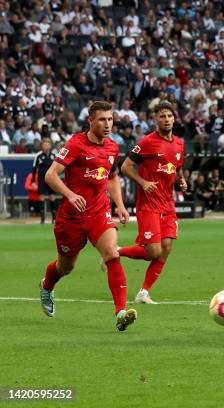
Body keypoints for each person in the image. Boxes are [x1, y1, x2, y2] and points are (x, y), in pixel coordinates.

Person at [38, 101, 136, 331]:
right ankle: (47, 285)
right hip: (71, 218)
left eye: (110, 119)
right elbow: (51, 176)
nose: (108, 124)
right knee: (66, 267)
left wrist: (119, 205)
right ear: (90, 121)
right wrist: (70, 195)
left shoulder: (112, 147)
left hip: (98, 212)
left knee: (112, 253)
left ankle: (120, 313)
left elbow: (112, 177)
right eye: (102, 119)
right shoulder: (75, 145)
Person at [116, 101, 187, 304]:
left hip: (168, 204)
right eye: (162, 116)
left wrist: (181, 179)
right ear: (155, 119)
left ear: (174, 118)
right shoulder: (147, 142)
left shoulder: (179, 143)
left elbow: (178, 166)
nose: (166, 119)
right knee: (153, 252)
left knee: (166, 249)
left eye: (169, 116)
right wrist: (143, 181)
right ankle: (115, 251)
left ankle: (143, 293)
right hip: (148, 204)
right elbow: (126, 167)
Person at [32, 138, 57, 223]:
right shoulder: (38, 156)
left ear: (50, 145)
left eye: (48, 144)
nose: (46, 146)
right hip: (42, 180)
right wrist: (33, 181)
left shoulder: (54, 156)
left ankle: (54, 218)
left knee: (52, 197)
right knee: (41, 197)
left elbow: (57, 168)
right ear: (42, 146)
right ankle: (42, 219)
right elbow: (34, 169)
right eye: (44, 144)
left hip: (51, 180)